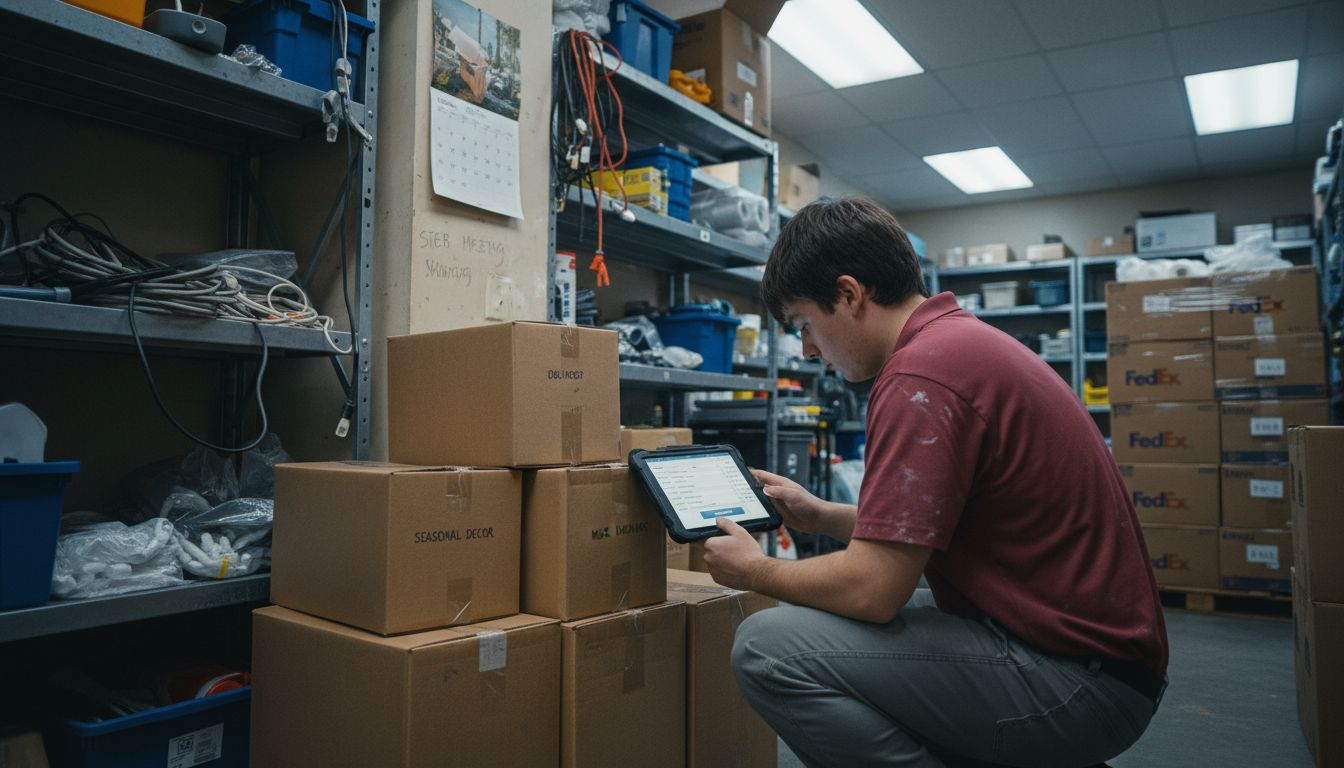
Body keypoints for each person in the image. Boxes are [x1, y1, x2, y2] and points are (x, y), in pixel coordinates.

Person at [702, 197, 1168, 768]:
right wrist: (821, 513)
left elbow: (874, 591)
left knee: (767, 647)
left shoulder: (921, 375)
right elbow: (940, 524)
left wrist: (753, 570)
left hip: (1077, 683)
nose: (808, 351)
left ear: (849, 296)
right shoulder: (956, 343)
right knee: (880, 608)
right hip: (1102, 663)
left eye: (804, 326)